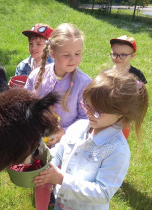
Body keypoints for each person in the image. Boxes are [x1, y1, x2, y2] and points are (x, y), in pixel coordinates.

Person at [34, 70, 148, 210]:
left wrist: (62, 179)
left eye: (96, 111)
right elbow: (59, 152)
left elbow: (103, 192)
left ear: (122, 112)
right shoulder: (78, 127)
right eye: (86, 105)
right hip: (61, 204)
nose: (88, 112)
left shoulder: (117, 150)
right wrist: (43, 162)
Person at [24, 23, 92, 209]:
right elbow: (26, 103)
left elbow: (86, 118)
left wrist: (64, 132)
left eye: (78, 53)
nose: (73, 59)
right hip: (39, 140)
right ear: (53, 54)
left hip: (68, 144)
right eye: (67, 54)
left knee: (60, 184)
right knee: (42, 180)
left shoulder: (84, 83)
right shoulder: (38, 75)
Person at [109, 35, 147, 140]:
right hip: (108, 112)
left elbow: (142, 95)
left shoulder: (136, 74)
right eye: (115, 54)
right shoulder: (107, 74)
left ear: (133, 55)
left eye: (123, 55)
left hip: (125, 115)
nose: (118, 58)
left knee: (120, 138)